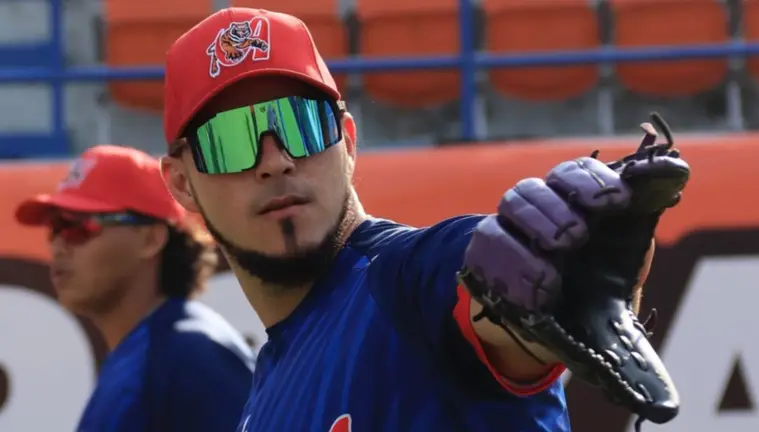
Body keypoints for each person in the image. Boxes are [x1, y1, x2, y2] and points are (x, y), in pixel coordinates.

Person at [159, 8, 657, 431]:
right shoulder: (261, 403)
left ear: (347, 142)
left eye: (300, 123)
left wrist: (565, 281)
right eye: (230, 141)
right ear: (182, 183)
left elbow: (484, 290)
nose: (275, 160)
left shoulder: (405, 281)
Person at [15, 145, 255, 432]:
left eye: (76, 227)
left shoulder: (193, 354)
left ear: (150, 239)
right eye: (55, 228)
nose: (57, 246)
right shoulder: (146, 353)